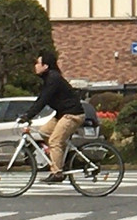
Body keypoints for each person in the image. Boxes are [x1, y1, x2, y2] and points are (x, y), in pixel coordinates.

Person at [18, 49, 86, 183]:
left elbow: (43, 100)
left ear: (46, 66)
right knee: (44, 132)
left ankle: (57, 173)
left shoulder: (53, 79)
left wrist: (28, 116)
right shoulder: (49, 78)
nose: (35, 66)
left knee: (55, 141)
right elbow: (40, 100)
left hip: (72, 114)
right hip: (62, 114)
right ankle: (61, 158)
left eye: (38, 63)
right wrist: (28, 114)